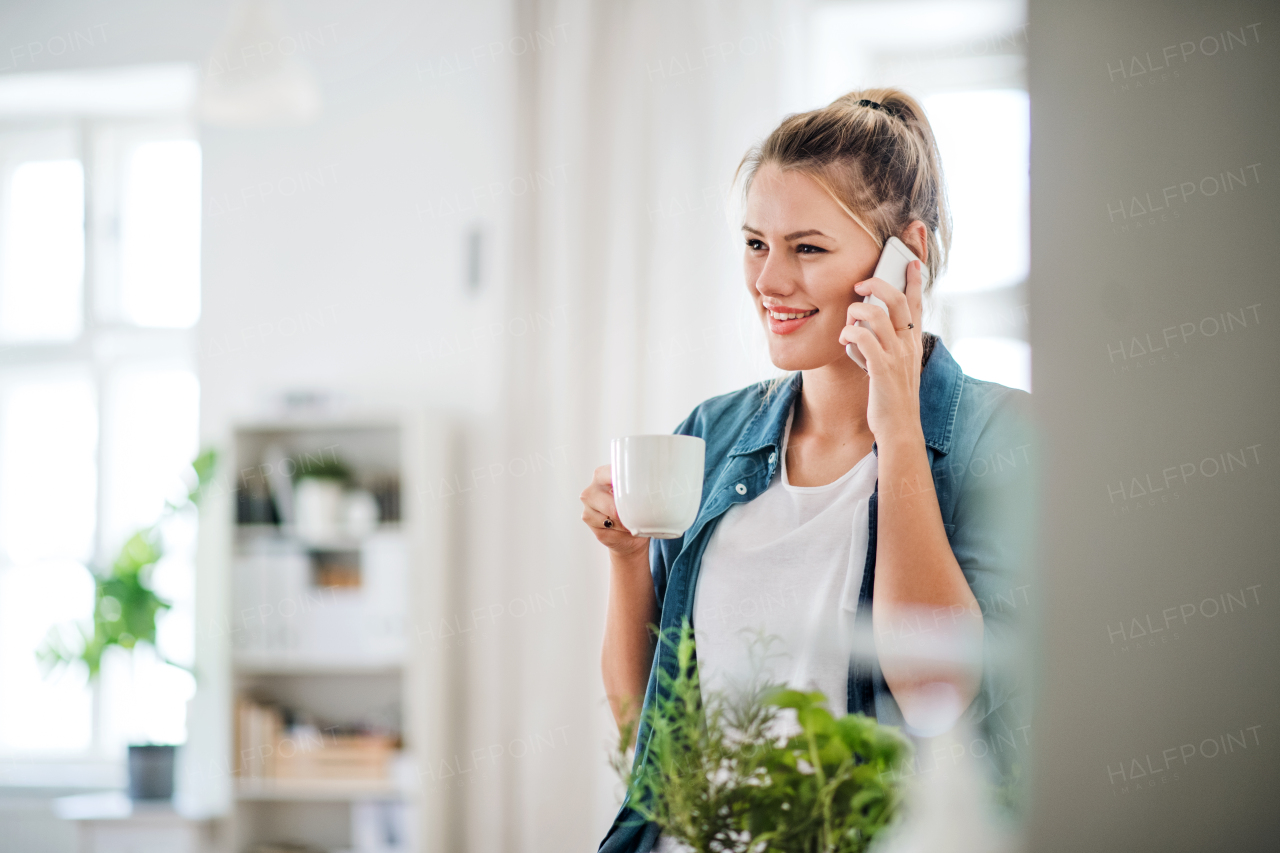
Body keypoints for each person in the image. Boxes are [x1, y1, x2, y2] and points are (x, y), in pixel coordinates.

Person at [582, 88, 1035, 853]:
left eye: (808, 247)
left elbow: (938, 694)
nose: (769, 282)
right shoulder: (712, 435)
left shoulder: (1000, 438)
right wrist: (628, 559)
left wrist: (898, 421)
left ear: (906, 256)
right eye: (756, 243)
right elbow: (642, 735)